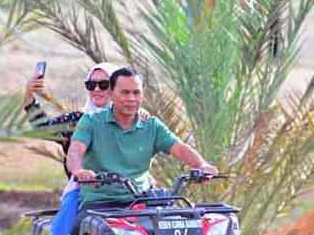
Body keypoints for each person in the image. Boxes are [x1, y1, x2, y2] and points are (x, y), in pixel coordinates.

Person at [67, 68, 219, 212]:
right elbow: (76, 150)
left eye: (136, 93)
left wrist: (201, 164)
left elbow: (179, 148)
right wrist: (79, 171)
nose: (131, 98)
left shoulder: (151, 125)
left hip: (143, 202)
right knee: (80, 233)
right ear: (111, 94)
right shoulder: (91, 121)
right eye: (125, 93)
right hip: (100, 204)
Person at [28, 63, 113, 235]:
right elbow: (42, 128)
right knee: (63, 228)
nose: (97, 90)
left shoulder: (130, 120)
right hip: (84, 189)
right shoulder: (77, 121)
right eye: (91, 85)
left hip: (125, 188)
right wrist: (29, 95)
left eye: (104, 84)